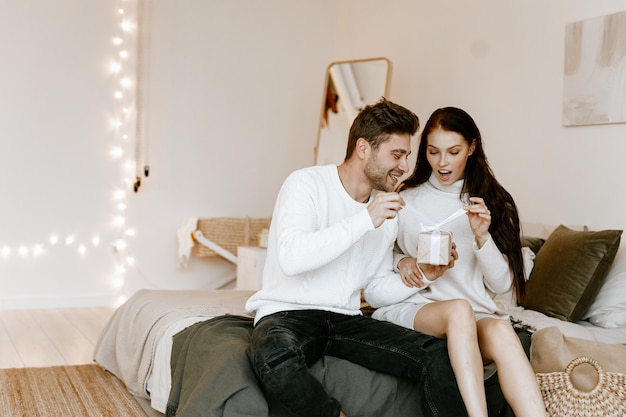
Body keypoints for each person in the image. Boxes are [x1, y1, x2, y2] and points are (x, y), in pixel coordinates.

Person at [245, 98, 468, 417]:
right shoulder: (306, 183)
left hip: (346, 318)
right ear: (363, 148)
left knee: (434, 354)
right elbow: (292, 258)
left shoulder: (385, 211)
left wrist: (425, 274)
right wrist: (364, 219)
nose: (404, 166)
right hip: (287, 313)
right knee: (273, 356)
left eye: (406, 155)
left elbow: (375, 290)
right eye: (396, 154)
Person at [364, 107, 546, 417]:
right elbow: (379, 256)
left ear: (472, 147)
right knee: (458, 309)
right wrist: (403, 261)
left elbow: (502, 286)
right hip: (419, 307)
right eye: (433, 152)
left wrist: (481, 237)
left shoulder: (491, 202)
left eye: (453, 151)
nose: (442, 162)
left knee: (503, 331)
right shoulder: (405, 197)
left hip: (474, 313)